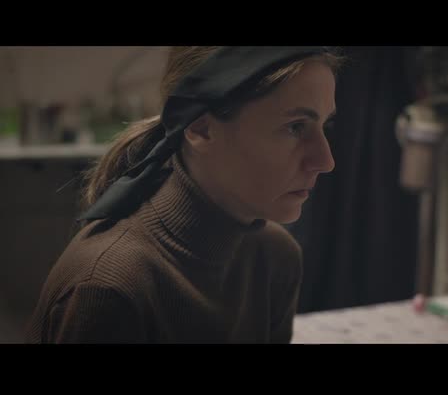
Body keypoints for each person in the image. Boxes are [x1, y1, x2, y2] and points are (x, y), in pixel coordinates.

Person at [25, 46, 343, 343]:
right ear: (201, 129)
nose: (325, 161)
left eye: (326, 127)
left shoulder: (275, 259)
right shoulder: (109, 287)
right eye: (295, 127)